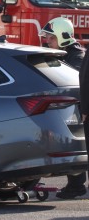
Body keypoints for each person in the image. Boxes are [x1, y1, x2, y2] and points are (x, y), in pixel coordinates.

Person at [40, 17, 88, 199]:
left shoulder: (77, 57)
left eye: (51, 38)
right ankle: (76, 185)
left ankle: (76, 186)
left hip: (79, 108)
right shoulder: (65, 54)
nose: (47, 41)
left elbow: (74, 81)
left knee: (74, 146)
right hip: (75, 108)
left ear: (63, 37)